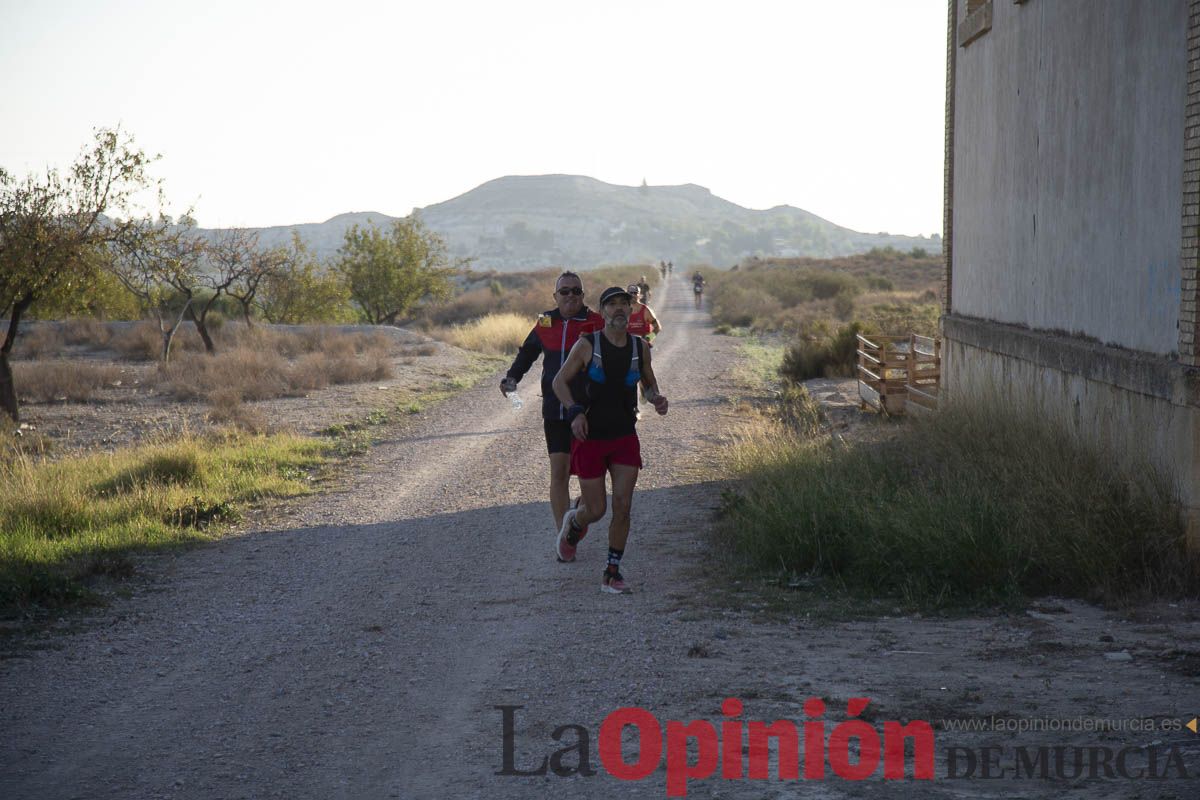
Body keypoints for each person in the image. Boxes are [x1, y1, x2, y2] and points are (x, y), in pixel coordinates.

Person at [551, 286, 669, 594]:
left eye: (623, 304)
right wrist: (575, 412)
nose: (618, 309)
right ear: (602, 311)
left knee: (623, 504)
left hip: (624, 436)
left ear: (631, 310)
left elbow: (648, 384)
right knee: (597, 509)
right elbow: (559, 381)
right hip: (590, 437)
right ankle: (574, 524)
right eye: (612, 304)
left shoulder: (640, 347)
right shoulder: (588, 345)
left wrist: (656, 398)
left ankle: (611, 573)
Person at [501, 271, 603, 533]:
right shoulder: (545, 322)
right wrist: (512, 378)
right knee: (559, 472)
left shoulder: (595, 322)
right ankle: (564, 534)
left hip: (589, 411)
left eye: (576, 291)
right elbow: (527, 353)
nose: (570, 296)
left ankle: (581, 510)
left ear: (583, 294)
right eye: (564, 291)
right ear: (555, 296)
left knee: (588, 474)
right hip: (555, 410)